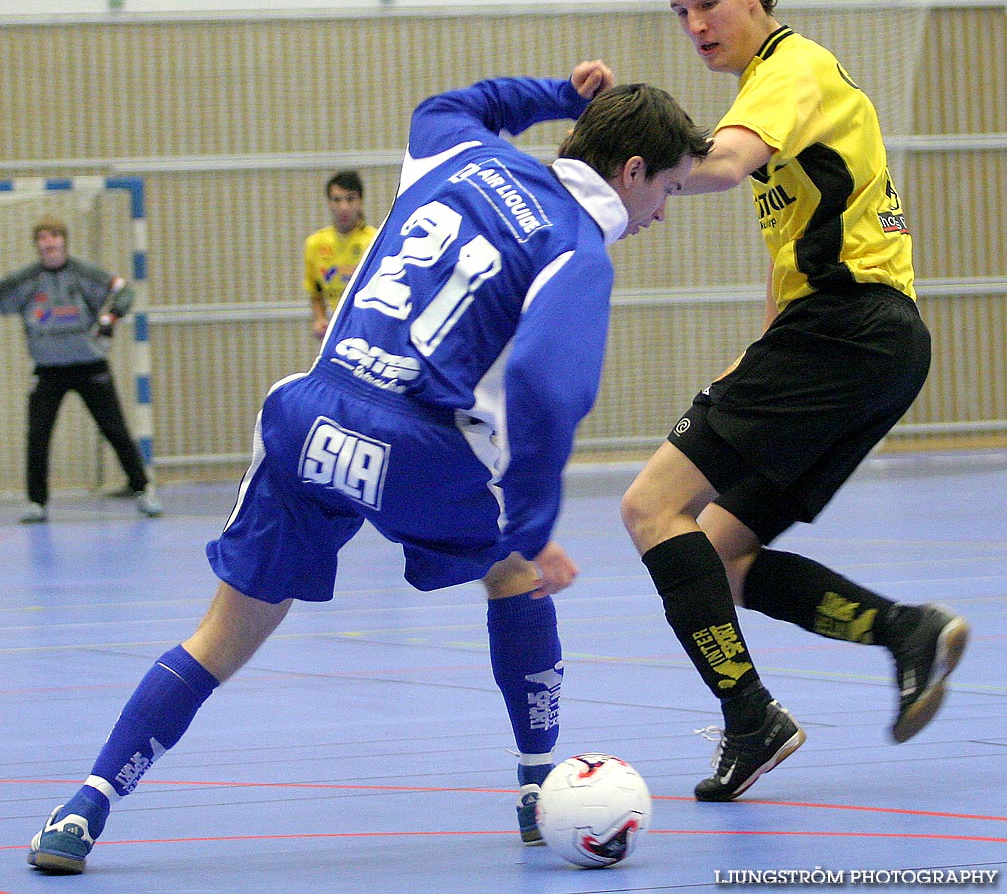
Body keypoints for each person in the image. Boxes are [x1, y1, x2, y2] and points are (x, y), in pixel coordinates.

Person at [27, 61, 712, 874]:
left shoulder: (456, 154)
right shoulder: (576, 250)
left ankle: (86, 805)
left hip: (308, 415)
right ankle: (536, 788)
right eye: (667, 190)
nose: (662, 212)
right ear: (630, 172)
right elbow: (542, 385)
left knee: (225, 632)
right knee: (516, 574)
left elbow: (452, 102)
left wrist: (561, 96)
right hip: (419, 452)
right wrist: (529, 528)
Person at [620, 0, 969, 803]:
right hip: (871, 341)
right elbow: (793, 255)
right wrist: (755, 355)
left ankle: (752, 721)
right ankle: (904, 631)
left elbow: (724, 163)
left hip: (848, 332)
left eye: (706, 2)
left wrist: (624, 173)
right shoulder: (779, 89)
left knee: (650, 508)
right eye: (678, 11)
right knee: (723, 553)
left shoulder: (787, 71)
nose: (694, 23)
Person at [0, 216, 162, 522]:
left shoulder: (84, 273)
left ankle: (142, 489)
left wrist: (111, 317)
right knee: (38, 433)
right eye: (43, 238)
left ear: (64, 241)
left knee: (114, 428)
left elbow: (124, 291)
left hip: (90, 365)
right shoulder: (26, 280)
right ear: (37, 245)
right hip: (48, 370)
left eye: (54, 236)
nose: (49, 243)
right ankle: (37, 501)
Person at [304, 170, 379, 340]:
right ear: (329, 203)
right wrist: (320, 319)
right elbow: (315, 291)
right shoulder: (315, 243)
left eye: (350, 199)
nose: (343, 207)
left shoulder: (375, 241)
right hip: (337, 333)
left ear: (360, 202)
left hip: (371, 331)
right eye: (337, 200)